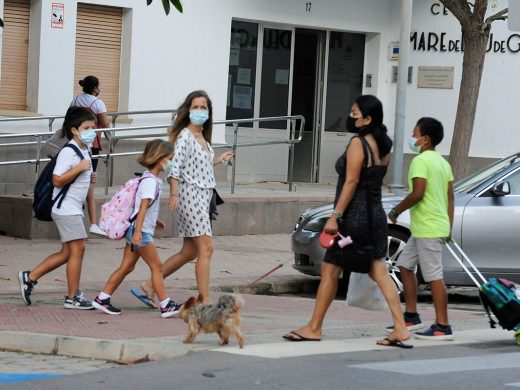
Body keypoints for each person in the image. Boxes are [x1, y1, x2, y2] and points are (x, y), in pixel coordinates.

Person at [282, 95, 412, 348]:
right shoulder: (383, 147)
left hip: (354, 219)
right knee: (377, 269)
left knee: (331, 268)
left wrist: (335, 216)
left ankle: (314, 328)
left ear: (367, 119)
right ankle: (399, 327)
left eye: (354, 113)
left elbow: (351, 182)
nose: (350, 116)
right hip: (375, 216)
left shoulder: (358, 143)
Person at [131, 90, 233, 307]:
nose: (199, 111)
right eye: (195, 107)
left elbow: (196, 166)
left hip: (204, 196)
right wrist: (174, 194)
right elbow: (174, 169)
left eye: (203, 107)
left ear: (209, 111)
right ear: (188, 110)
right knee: (206, 247)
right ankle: (204, 298)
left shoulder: (203, 137)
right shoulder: (185, 136)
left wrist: (218, 160)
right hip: (189, 195)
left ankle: (149, 285)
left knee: (190, 251)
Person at [18, 107, 97, 309]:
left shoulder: (84, 150)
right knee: (78, 250)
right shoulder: (69, 151)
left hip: (71, 209)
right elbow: (57, 179)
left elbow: (77, 177)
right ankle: (72, 297)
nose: (92, 131)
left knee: (67, 253)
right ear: (74, 130)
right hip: (66, 208)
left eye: (93, 127)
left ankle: (30, 277)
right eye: (87, 127)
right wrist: (79, 169)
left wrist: (87, 175)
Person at [92, 139, 182, 318]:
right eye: (170, 158)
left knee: (127, 267)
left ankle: (102, 298)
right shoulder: (151, 182)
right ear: (160, 158)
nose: (171, 162)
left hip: (136, 229)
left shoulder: (149, 178)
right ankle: (166, 305)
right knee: (157, 267)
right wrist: (139, 232)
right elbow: (142, 207)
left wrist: (155, 222)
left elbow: (143, 208)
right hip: (140, 233)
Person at [388, 117, 454, 340]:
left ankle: (443, 326)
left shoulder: (421, 161)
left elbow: (418, 193)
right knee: (405, 266)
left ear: (425, 139)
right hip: (430, 226)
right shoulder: (443, 163)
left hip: (428, 227)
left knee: (434, 275)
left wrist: (396, 211)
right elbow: (450, 197)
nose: (412, 138)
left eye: (415, 134)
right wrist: (449, 226)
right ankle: (412, 315)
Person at [70, 75, 111, 237]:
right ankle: (92, 223)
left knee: (76, 180)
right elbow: (105, 124)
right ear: (95, 88)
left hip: (74, 142)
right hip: (91, 145)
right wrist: (112, 142)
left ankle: (81, 222)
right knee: (89, 182)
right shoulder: (96, 102)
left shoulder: (75, 100)